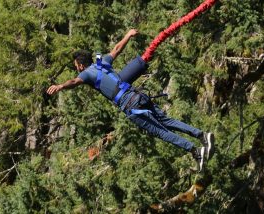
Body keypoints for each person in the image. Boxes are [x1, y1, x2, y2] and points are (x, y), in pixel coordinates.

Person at [47, 29, 215, 171]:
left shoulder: (86, 74)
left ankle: (196, 151)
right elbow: (117, 49)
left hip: (129, 104)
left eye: (76, 66)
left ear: (81, 65)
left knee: (161, 131)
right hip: (138, 95)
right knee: (167, 121)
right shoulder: (101, 62)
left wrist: (61, 86)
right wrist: (128, 35)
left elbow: (74, 82)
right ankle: (201, 135)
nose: (77, 69)